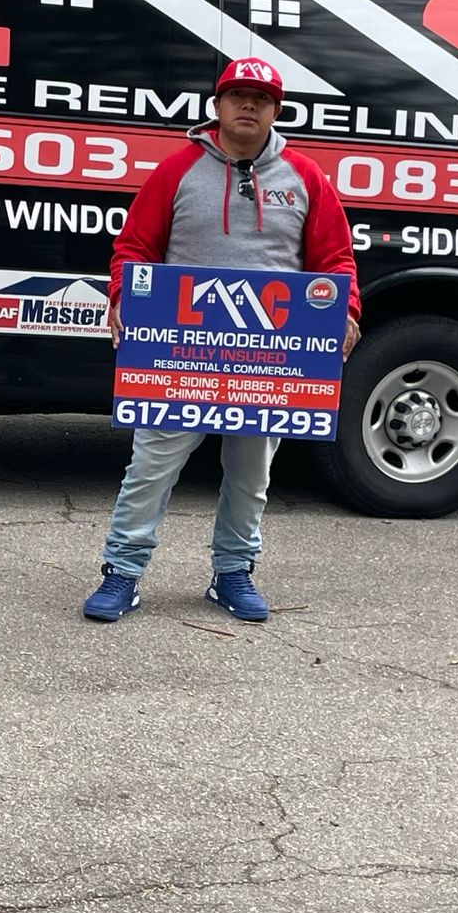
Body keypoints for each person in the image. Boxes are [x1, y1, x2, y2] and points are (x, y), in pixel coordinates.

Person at [82, 57, 360, 625]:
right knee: (151, 466)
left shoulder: (306, 177)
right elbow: (134, 247)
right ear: (217, 105)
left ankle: (233, 572)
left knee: (251, 475)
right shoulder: (177, 170)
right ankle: (122, 572)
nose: (248, 105)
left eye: (262, 98)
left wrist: (346, 310)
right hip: (179, 355)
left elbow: (335, 259)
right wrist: (123, 295)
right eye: (237, 95)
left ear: (276, 110)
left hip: (269, 361)